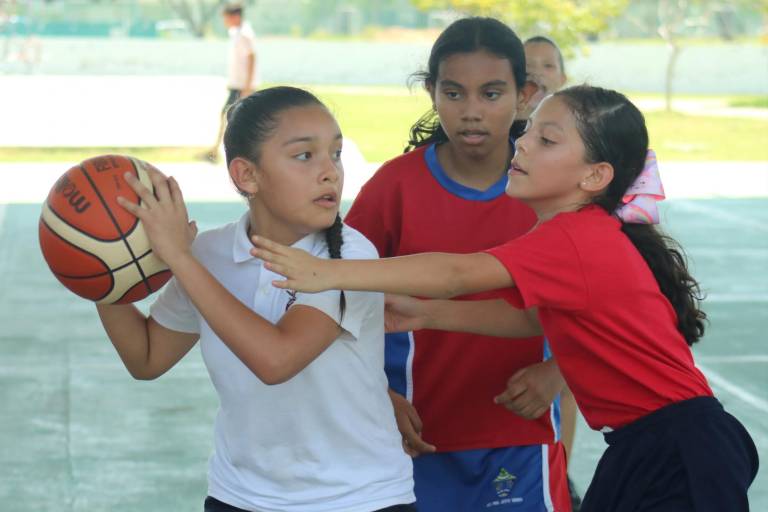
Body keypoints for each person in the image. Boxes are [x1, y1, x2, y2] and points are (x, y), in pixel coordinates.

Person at [251, 84, 759, 511]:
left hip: (678, 445)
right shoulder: (574, 234)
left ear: (594, 176)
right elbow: (536, 321)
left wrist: (326, 272)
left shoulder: (574, 238)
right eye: (528, 130)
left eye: (546, 139)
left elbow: (455, 272)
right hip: (652, 442)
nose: (523, 144)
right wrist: (428, 314)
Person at [97, 86, 415, 512]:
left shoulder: (349, 255)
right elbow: (147, 358)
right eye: (305, 155)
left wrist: (179, 257)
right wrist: (103, 268)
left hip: (359, 497)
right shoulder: (209, 254)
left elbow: (276, 360)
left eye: (336, 154)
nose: (330, 172)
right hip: (241, 496)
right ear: (246, 175)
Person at [345, 16, 572, 511]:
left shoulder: (555, 191)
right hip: (409, 439)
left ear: (524, 95)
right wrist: (376, 394)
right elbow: (339, 301)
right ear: (431, 92)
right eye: (453, 93)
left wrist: (560, 370)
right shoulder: (393, 188)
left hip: (520, 440)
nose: (471, 112)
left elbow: (606, 301)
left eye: (491, 94)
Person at [519, 34, 581, 509]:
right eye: (527, 66)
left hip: (563, 325)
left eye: (548, 64)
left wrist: (559, 368)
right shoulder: (507, 153)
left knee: (567, 380)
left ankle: (564, 472)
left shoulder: (589, 151)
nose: (538, 73)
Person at [202, 3, 259, 163]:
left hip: (242, 87)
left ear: (235, 17)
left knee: (232, 117)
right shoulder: (236, 33)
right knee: (233, 118)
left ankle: (218, 152)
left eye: (226, 18)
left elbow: (251, 58)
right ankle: (217, 151)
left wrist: (247, 87)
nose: (225, 21)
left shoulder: (244, 34)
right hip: (237, 85)